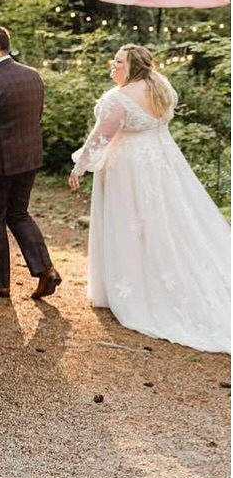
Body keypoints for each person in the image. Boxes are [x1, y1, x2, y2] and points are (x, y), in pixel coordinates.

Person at [68, 45, 231, 353]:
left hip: (128, 169)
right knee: (167, 221)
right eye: (113, 60)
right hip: (163, 163)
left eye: (119, 62)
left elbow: (102, 135)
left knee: (128, 224)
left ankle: (131, 287)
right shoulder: (161, 87)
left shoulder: (118, 98)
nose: (113, 66)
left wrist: (80, 166)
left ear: (133, 67)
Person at [0, 26, 61, 300]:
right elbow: (34, 118)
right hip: (27, 160)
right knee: (19, 214)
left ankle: (1, 284)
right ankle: (46, 271)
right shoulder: (33, 76)